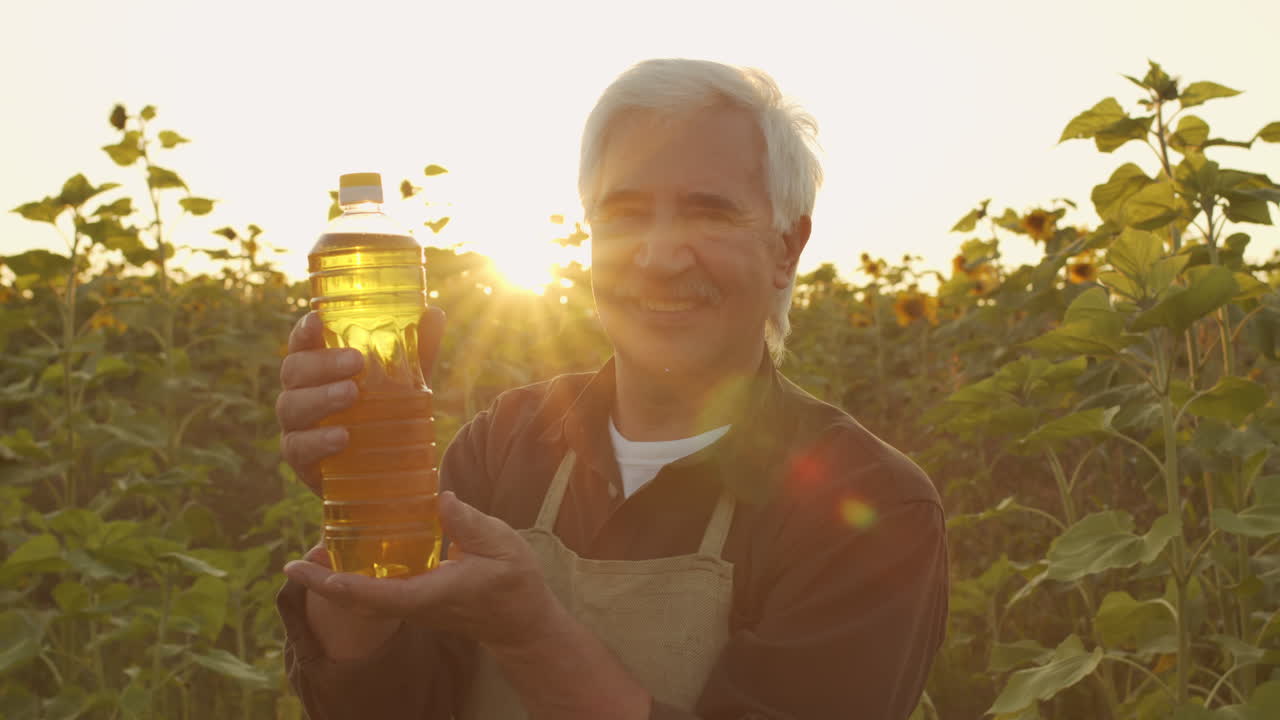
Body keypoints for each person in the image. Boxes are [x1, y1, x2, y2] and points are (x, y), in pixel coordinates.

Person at [276, 58, 948, 719]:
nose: (658, 257)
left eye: (708, 214)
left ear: (785, 248)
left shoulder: (869, 504)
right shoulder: (505, 443)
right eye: (624, 215)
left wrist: (530, 635)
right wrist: (366, 524)